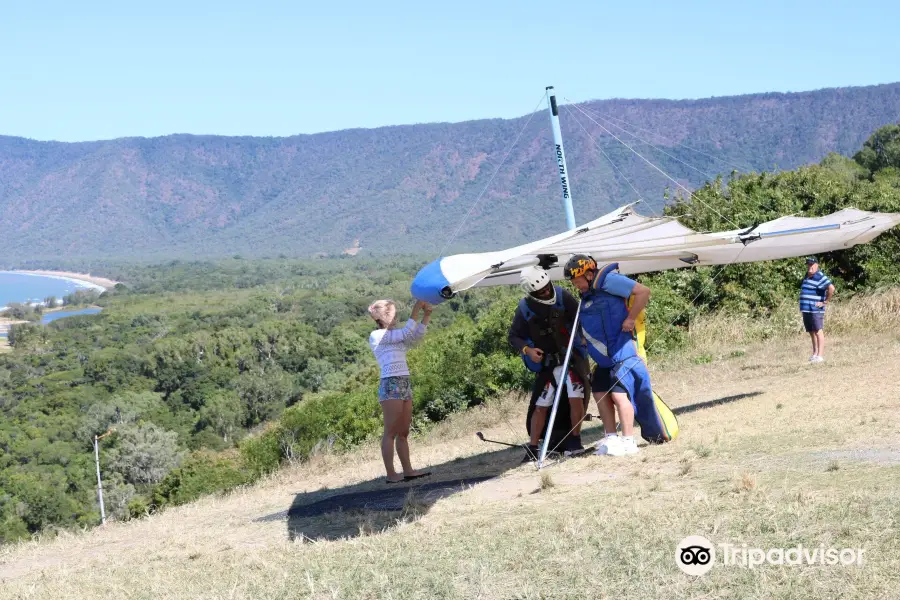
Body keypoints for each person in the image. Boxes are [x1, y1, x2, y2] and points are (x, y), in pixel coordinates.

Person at [563, 254, 665, 456]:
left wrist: (630, 318)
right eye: (573, 283)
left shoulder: (609, 281)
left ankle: (629, 440)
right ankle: (611, 438)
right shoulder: (588, 294)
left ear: (589, 274)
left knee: (619, 395)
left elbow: (644, 292)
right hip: (604, 358)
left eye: (578, 281)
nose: (577, 286)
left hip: (622, 352)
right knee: (600, 393)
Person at [508, 266, 591, 459]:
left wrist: (583, 337)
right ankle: (534, 447)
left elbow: (581, 316)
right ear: (532, 293)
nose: (546, 292)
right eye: (541, 291)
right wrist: (528, 350)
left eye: (547, 287)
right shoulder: (524, 308)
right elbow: (514, 336)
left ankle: (575, 441)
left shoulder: (562, 295)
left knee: (575, 398)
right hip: (547, 363)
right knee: (541, 404)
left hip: (571, 359)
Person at [368, 298, 433, 483]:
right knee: (390, 431)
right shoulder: (377, 336)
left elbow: (416, 338)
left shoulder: (396, 335)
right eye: (392, 313)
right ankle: (391, 474)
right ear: (383, 316)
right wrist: (416, 309)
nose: (396, 317)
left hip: (403, 381)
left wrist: (426, 315)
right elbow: (407, 332)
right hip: (390, 384)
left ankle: (408, 470)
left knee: (403, 431)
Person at [800, 256, 835, 363]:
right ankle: (815, 354)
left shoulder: (820, 276)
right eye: (808, 264)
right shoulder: (807, 275)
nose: (810, 266)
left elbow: (831, 288)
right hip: (807, 309)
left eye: (812, 264)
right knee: (811, 331)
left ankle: (820, 356)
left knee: (818, 331)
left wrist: (825, 301)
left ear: (817, 265)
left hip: (815, 309)